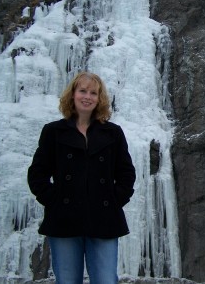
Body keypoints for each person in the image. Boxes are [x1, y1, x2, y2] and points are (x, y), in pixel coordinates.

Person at [28, 72, 136, 284]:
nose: (87, 96)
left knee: (106, 280)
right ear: (73, 95)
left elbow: (126, 173)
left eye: (93, 93)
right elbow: (37, 174)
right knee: (67, 281)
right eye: (83, 91)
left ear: (99, 99)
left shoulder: (112, 133)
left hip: (104, 219)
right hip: (64, 219)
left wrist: (114, 200)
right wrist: (54, 201)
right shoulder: (53, 132)